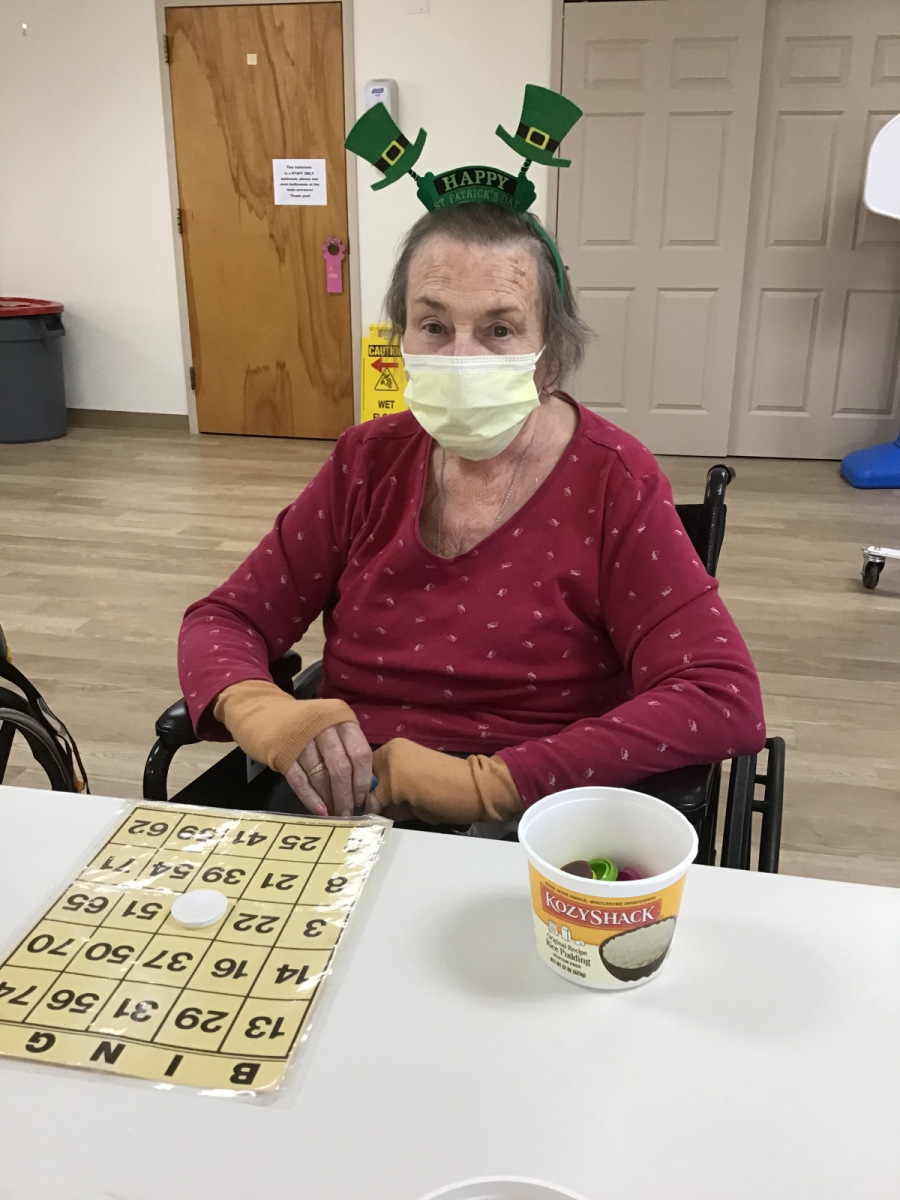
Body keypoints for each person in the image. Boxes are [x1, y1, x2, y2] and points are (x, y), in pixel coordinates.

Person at [178, 201, 766, 828]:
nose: (460, 359)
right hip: (347, 794)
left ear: (553, 355)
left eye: (500, 330)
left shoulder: (613, 478)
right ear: (401, 336)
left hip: (534, 807)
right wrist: (261, 709)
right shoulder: (367, 460)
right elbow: (226, 618)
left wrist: (486, 785)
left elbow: (720, 697)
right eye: (433, 326)